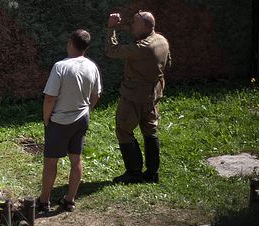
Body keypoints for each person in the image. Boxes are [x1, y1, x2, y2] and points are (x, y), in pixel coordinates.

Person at [38, 29, 102, 213]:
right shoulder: (92, 66)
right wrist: (88, 109)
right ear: (87, 47)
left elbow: (50, 98)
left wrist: (46, 118)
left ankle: (44, 201)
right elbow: (96, 95)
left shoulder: (60, 67)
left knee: (51, 162)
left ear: (70, 43)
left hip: (59, 121)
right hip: (81, 119)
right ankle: (70, 200)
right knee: (76, 160)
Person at [106, 11, 171, 184]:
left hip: (134, 96)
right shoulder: (162, 41)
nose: (131, 26)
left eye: (135, 23)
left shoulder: (142, 47)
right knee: (150, 131)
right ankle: (152, 173)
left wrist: (111, 28)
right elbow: (167, 63)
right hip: (153, 94)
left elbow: (112, 51)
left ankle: (134, 172)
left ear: (146, 26)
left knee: (124, 130)